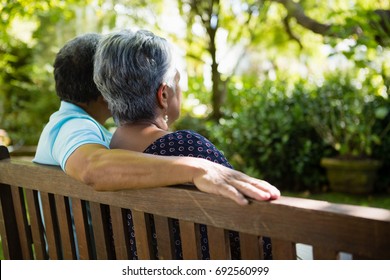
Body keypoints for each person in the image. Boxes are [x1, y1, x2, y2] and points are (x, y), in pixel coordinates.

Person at [33, 33, 280, 207]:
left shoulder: (95, 134)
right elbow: (93, 168)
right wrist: (198, 166)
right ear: (102, 88)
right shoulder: (73, 127)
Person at [93, 29, 273, 259]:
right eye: (177, 80)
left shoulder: (104, 151)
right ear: (164, 95)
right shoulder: (186, 148)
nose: (181, 88)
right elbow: (253, 237)